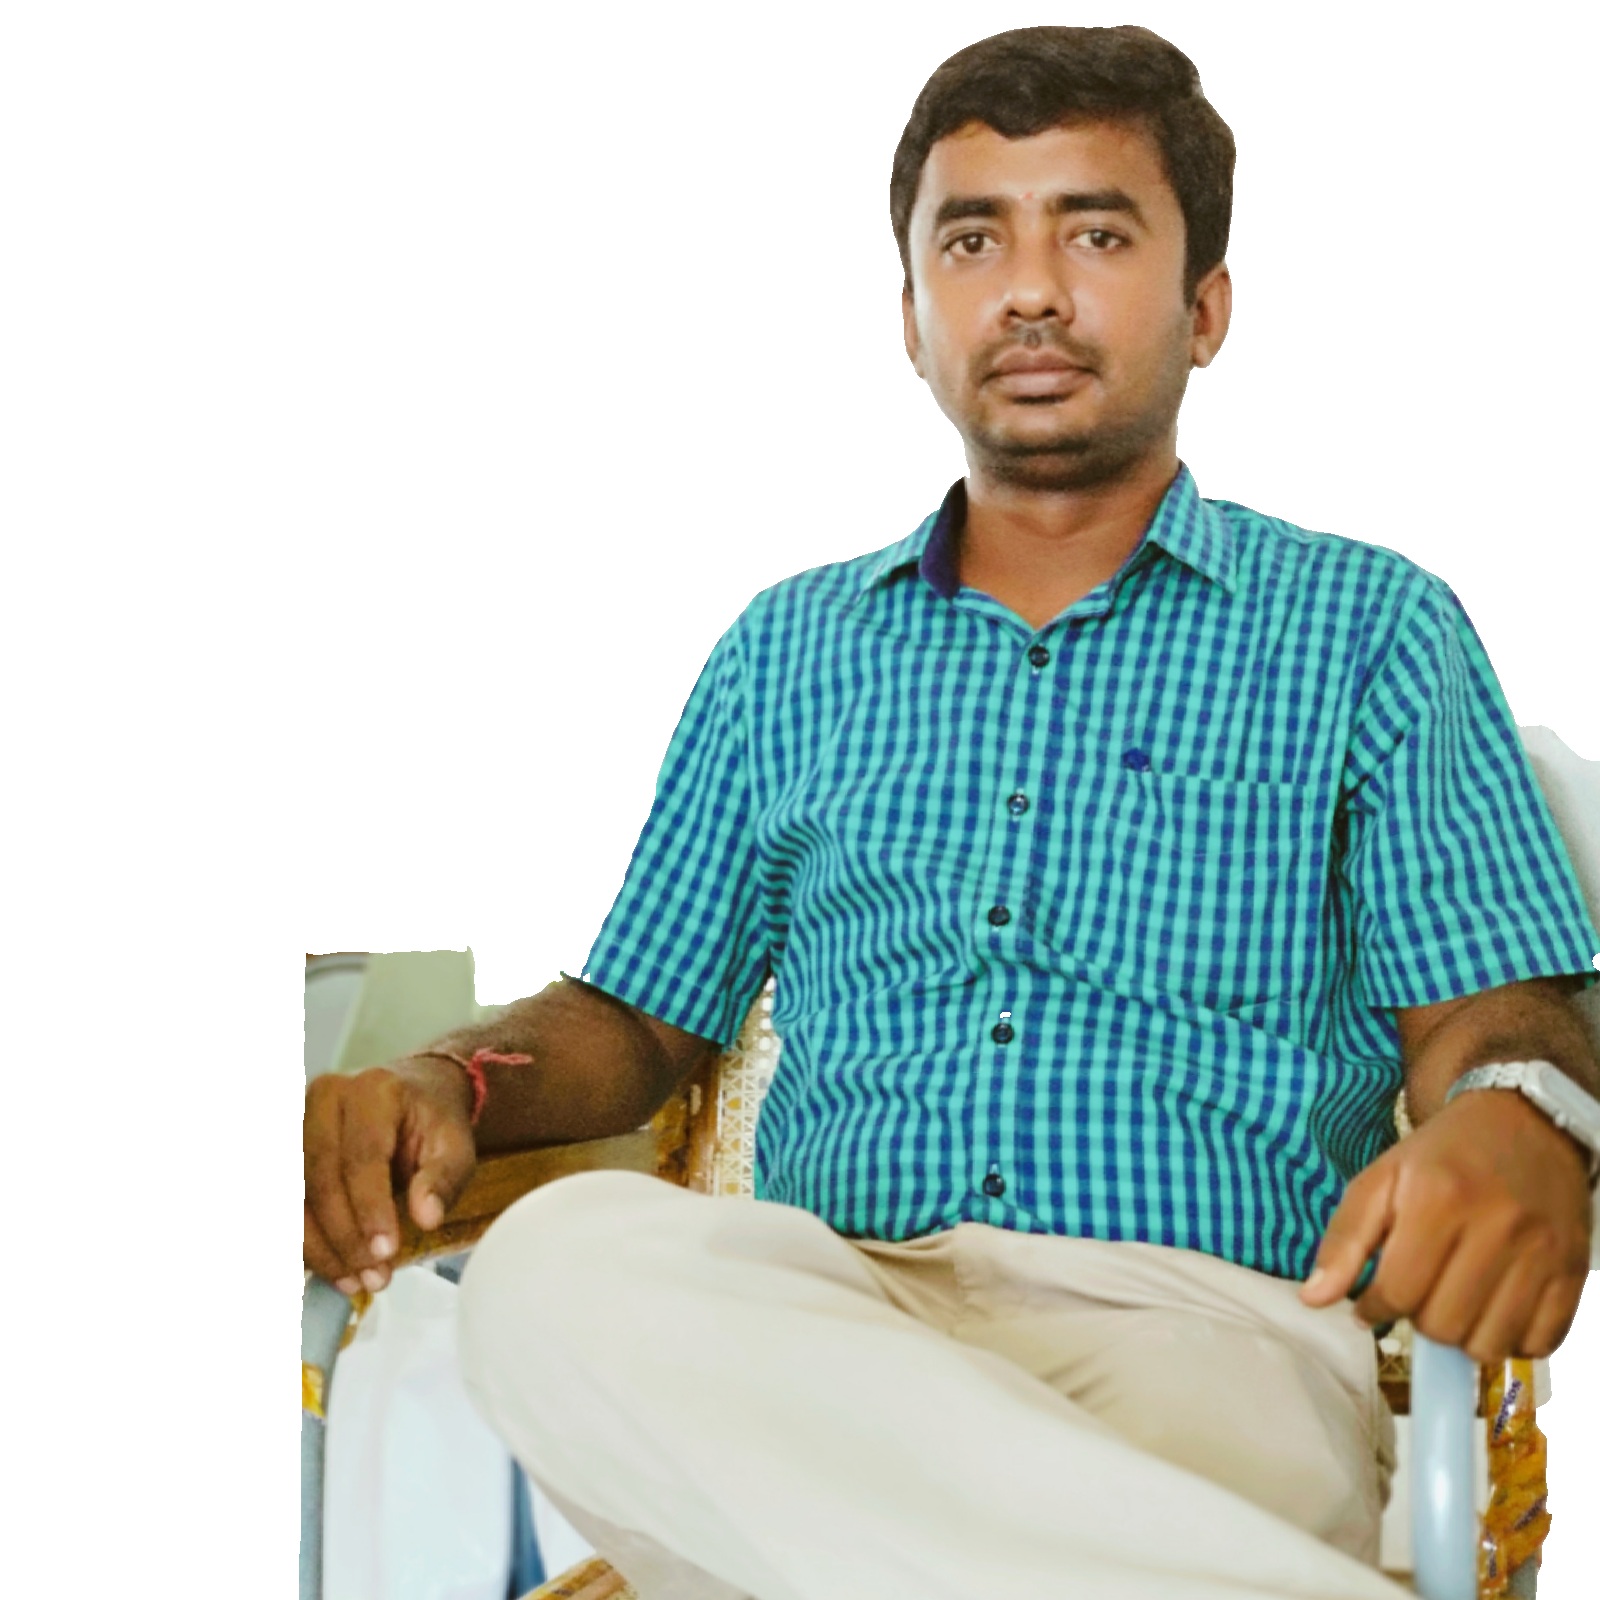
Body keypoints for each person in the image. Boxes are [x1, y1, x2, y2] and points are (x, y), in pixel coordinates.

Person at [303, 24, 1600, 1599]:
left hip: (1203, 1339)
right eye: (973, 240)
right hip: (824, 1317)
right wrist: (443, 1075)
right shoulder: (783, 653)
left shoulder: (1369, 630)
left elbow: (1492, 1014)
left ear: (1205, 310)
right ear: (913, 318)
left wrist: (1524, 1114)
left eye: (1096, 235)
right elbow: (632, 1025)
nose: (1030, 291)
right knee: (549, 1277)